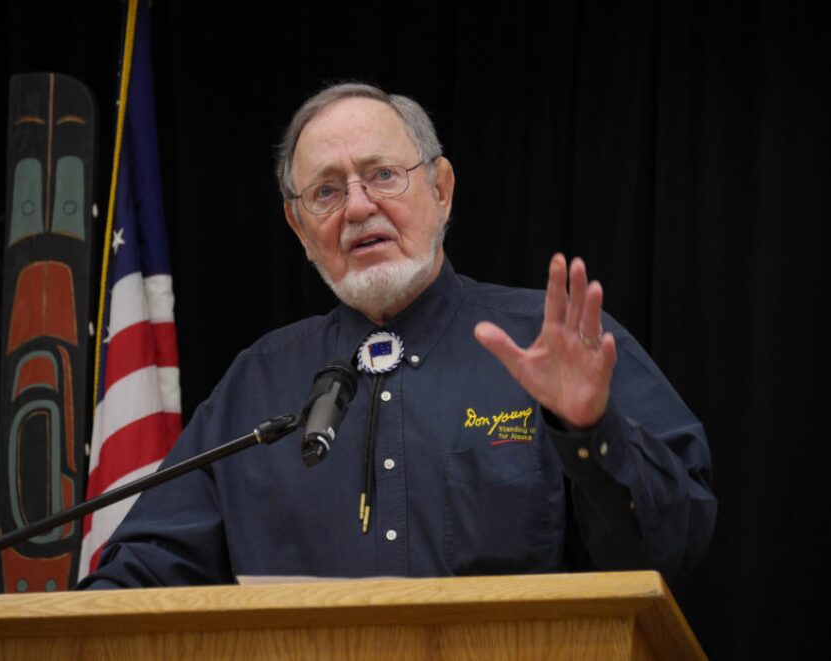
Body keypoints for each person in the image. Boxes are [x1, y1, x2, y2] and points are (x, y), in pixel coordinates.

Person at [79, 82, 715, 589]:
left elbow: (673, 549)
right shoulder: (258, 382)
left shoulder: (555, 346)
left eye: (382, 175)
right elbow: (146, 574)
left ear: (440, 190)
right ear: (300, 229)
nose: (357, 207)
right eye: (326, 191)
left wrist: (589, 432)